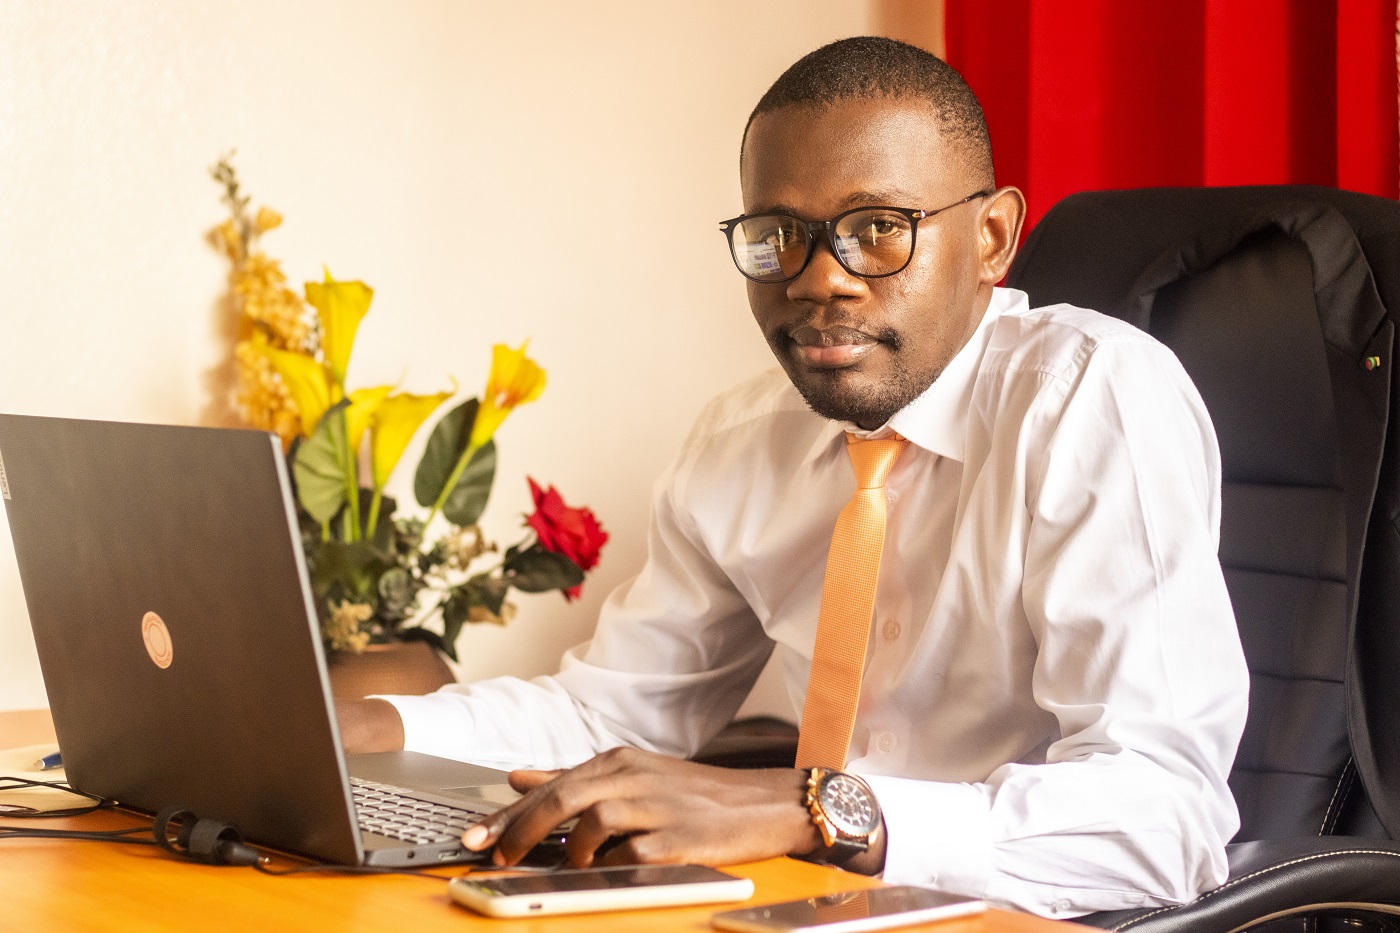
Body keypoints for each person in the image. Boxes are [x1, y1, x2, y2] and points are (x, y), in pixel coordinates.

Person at [338, 36, 1248, 918]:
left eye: (879, 229)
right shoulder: (738, 444)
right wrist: (375, 725)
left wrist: (814, 808)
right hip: (804, 907)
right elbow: (609, 713)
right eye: (778, 235)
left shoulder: (1090, 399)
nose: (819, 281)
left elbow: (1164, 817)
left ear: (993, 238)